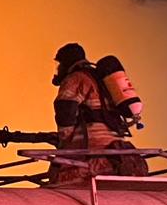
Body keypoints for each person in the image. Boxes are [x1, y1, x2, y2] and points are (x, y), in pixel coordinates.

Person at [47, 43, 148, 187]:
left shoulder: (75, 78)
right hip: (116, 153)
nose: (58, 69)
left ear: (67, 62)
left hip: (92, 154)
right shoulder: (102, 81)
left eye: (60, 64)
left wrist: (64, 140)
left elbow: (65, 111)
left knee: (58, 183)